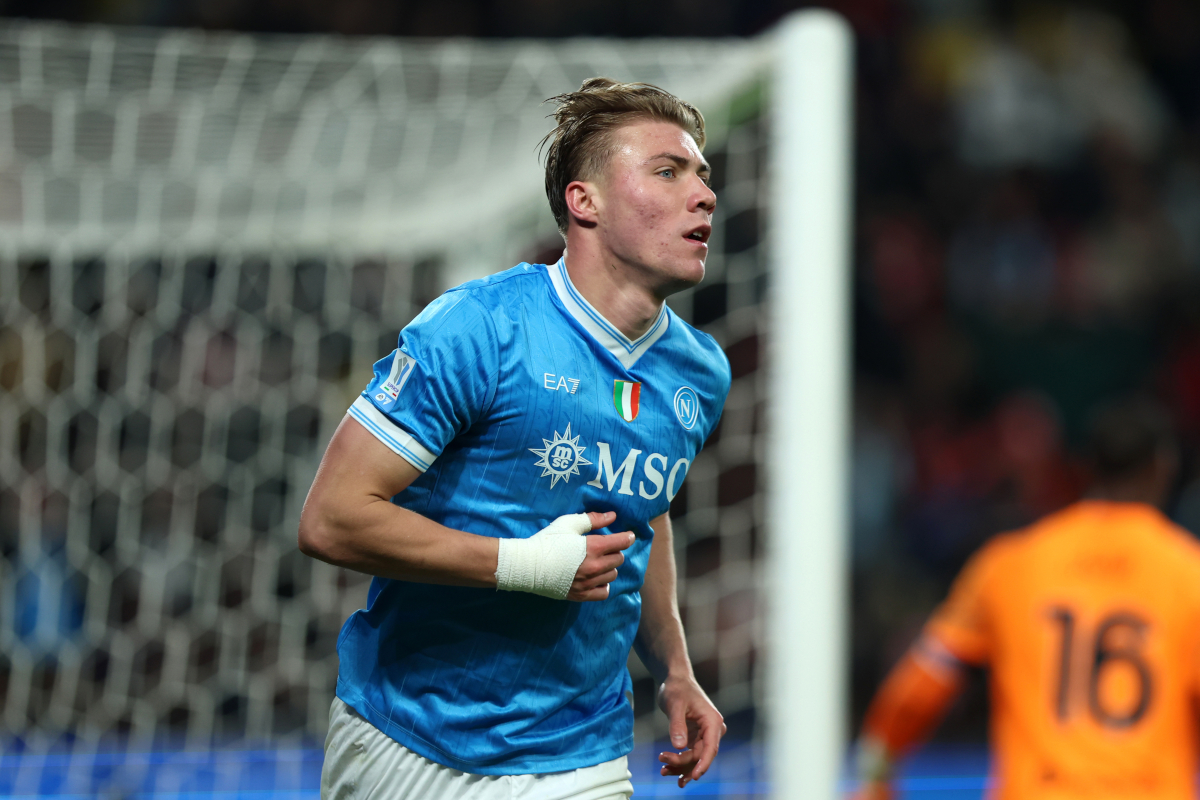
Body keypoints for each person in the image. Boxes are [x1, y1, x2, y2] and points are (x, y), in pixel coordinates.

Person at [299, 77, 730, 799]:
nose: (704, 194)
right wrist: (521, 565)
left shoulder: (700, 371)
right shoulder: (481, 328)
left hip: (577, 753)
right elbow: (331, 517)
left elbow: (642, 510)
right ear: (583, 201)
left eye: (702, 175)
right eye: (668, 170)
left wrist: (676, 670)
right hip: (405, 733)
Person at [850, 398, 1200, 800]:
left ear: (1083, 466)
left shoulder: (1010, 565)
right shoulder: (1189, 574)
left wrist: (875, 773)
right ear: (1164, 466)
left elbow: (921, 685)